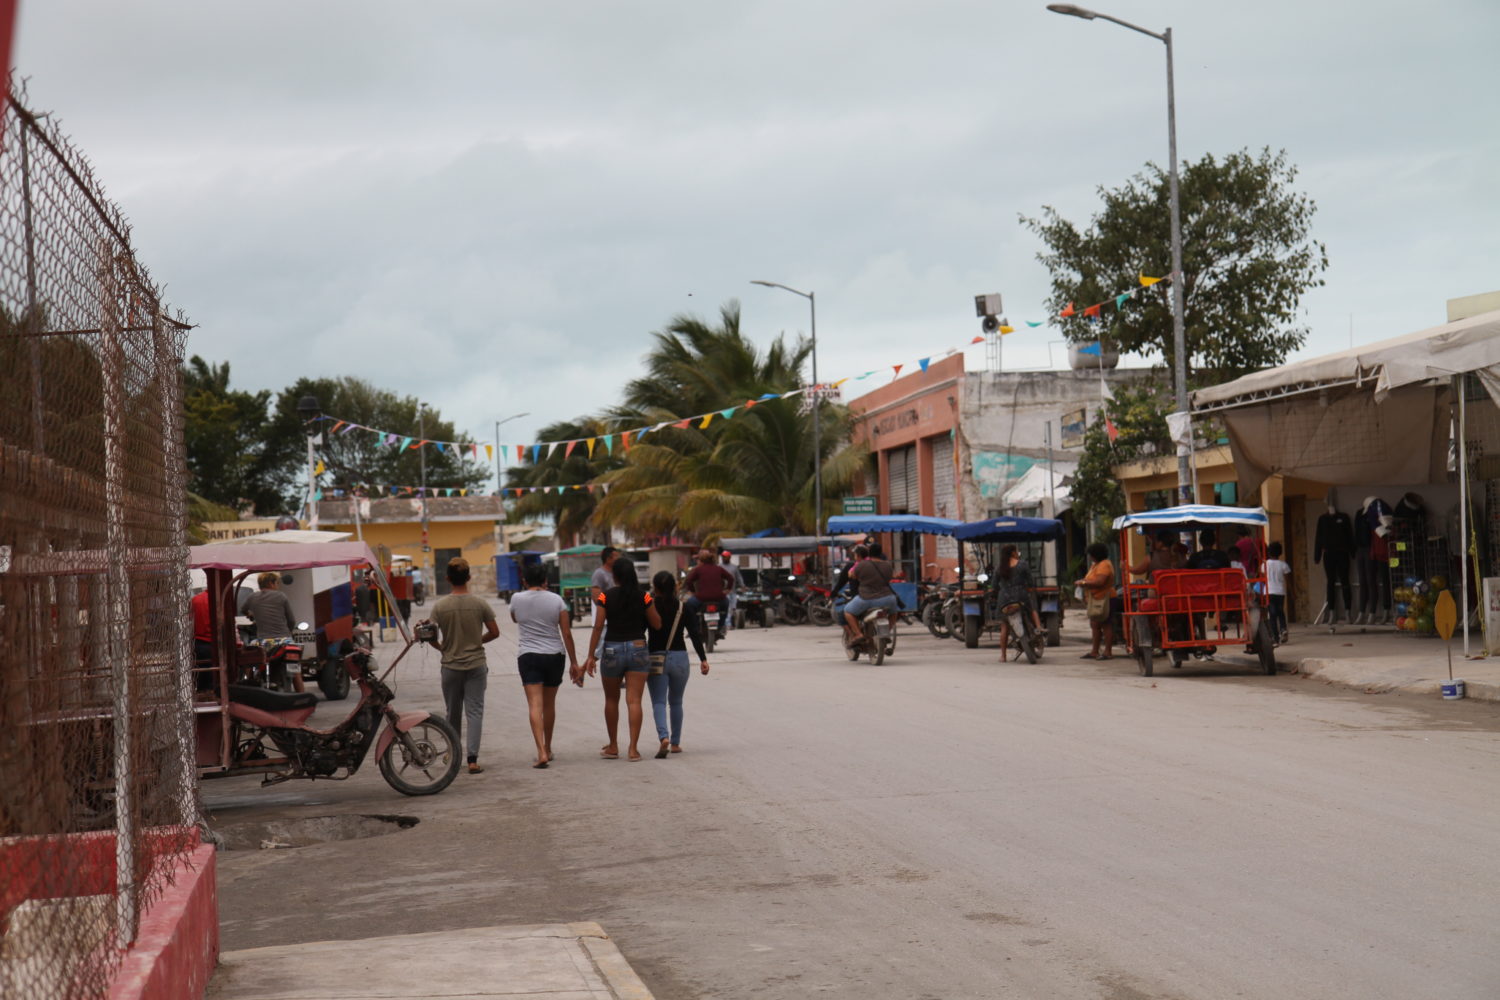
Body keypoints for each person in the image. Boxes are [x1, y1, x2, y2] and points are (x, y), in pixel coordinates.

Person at [422, 558, 499, 774]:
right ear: (469, 577)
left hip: (450, 666)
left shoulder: (440, 606)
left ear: (447, 578)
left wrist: (443, 647)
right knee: (474, 712)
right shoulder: (480, 604)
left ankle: (452, 755)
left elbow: (428, 634)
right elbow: (495, 632)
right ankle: (472, 760)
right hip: (476, 665)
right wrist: (476, 641)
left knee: (452, 712)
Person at [583, 558, 662, 762]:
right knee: (634, 700)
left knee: (611, 699)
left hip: (611, 649)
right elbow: (656, 624)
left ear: (614, 576)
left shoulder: (605, 596)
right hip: (638, 648)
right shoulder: (643, 596)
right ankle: (633, 750)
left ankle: (613, 746)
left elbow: (598, 626)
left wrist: (591, 655)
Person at [509, 562, 580, 769]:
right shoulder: (557, 600)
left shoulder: (516, 598)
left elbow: (514, 618)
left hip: (529, 655)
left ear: (524, 580)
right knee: (549, 705)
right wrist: (574, 662)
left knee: (534, 704)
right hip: (554, 655)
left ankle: (540, 752)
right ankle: (548, 748)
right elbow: (566, 633)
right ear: (545, 580)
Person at [646, 571, 710, 759]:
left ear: (655, 587)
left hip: (656, 657)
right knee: (676, 702)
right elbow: (695, 634)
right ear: (674, 587)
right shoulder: (684, 607)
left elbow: (641, 631)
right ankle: (675, 743)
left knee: (659, 701)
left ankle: (663, 737)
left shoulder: (649, 606)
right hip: (680, 658)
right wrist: (703, 659)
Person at [243, 571, 305, 692]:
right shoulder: (281, 596)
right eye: (276, 583)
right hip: (283, 641)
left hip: (262, 643)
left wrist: (251, 615)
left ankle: (248, 683)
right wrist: (289, 631)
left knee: (249, 662)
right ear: (271, 583)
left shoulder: (252, 597)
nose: (277, 585)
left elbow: (243, 609)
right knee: (294, 669)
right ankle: (302, 696)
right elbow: (291, 620)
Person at [992, 545, 1041, 663]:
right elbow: (1030, 581)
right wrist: (1031, 588)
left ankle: (1003, 656)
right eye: (1016, 550)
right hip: (1021, 596)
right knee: (1032, 609)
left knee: (1004, 627)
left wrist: (996, 594)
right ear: (1013, 552)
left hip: (1004, 600)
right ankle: (1039, 628)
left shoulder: (999, 567)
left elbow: (994, 586)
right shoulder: (1022, 564)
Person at [842, 543, 898, 646]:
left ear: (869, 553)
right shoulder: (888, 565)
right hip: (888, 599)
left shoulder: (862, 564)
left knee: (847, 611)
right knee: (894, 613)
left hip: (866, 599)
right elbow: (892, 576)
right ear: (880, 553)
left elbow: (852, 575)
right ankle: (886, 632)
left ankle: (858, 634)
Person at [1075, 543, 1115, 660]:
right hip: (1096, 598)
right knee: (1095, 624)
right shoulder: (1096, 565)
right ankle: (1094, 651)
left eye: (1091, 555)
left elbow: (1099, 582)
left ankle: (1108, 652)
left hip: (1106, 598)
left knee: (1106, 624)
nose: (1090, 557)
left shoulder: (1104, 565)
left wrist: (1083, 583)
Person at [683, 549, 734, 638]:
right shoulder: (719, 569)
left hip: (702, 598)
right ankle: (721, 626)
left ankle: (695, 628)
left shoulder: (698, 569)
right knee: (725, 607)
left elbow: (689, 580)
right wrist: (727, 589)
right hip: (719, 598)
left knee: (689, 606)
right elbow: (731, 578)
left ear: (701, 561)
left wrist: (693, 592)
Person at [1265, 541, 1292, 644]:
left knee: (1272, 614)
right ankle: (1283, 629)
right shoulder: (1284, 565)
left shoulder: (1265, 564)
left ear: (1268, 552)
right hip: (1280, 592)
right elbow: (1288, 581)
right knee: (1280, 611)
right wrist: (1292, 593)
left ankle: (1275, 637)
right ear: (1280, 553)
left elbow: (1260, 576)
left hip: (1269, 592)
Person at [720, 550, 744, 630]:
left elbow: (739, 577)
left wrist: (742, 586)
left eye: (726, 556)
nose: (724, 558)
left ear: (729, 557)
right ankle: (727, 624)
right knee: (728, 608)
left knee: (733, 608)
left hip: (732, 591)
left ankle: (731, 623)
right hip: (723, 592)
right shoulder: (719, 567)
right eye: (723, 556)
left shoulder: (734, 567)